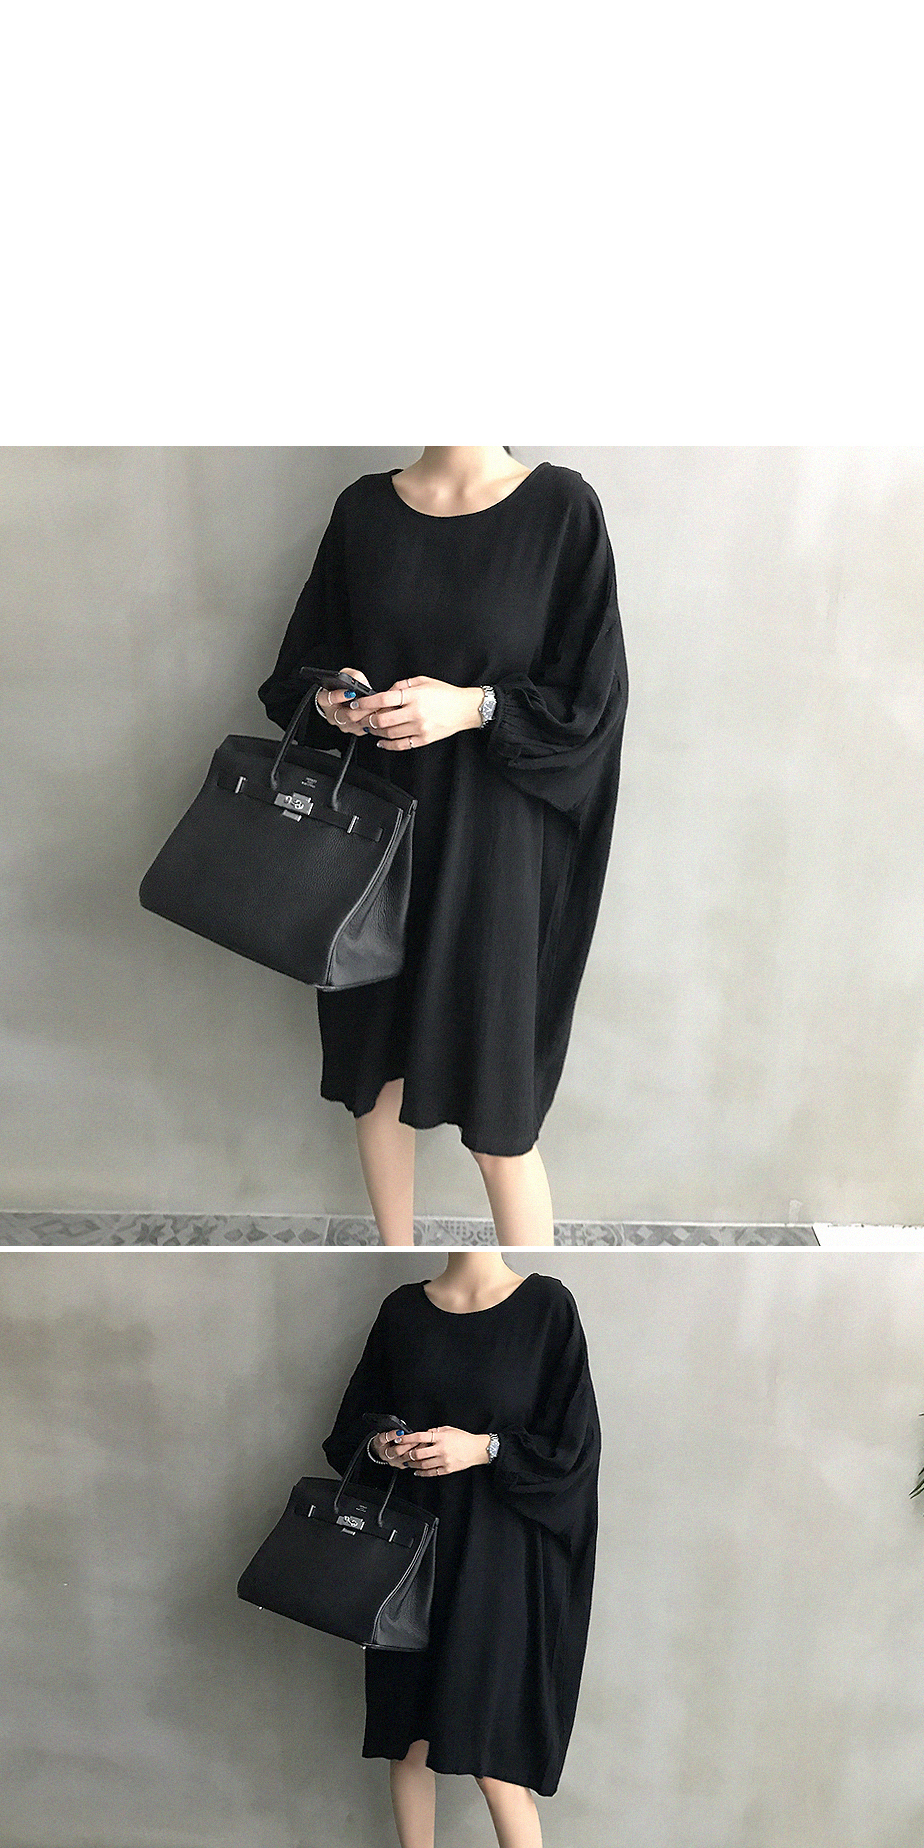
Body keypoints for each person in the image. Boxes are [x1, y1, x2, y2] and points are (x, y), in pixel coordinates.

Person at [259, 446, 628, 1248]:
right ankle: (392, 1256)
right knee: (375, 1086)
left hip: (493, 853)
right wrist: (332, 703)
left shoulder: (560, 510)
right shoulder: (363, 511)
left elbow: (591, 701)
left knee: (501, 1124)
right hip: (368, 844)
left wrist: (475, 706)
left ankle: (528, 1274)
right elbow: (298, 672)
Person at [322, 1248, 600, 1848]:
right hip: (410, 1560)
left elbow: (575, 1447)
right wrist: (383, 1446)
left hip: (501, 1565)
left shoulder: (547, 1308)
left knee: (494, 1756)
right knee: (407, 1741)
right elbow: (352, 1426)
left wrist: (484, 1448)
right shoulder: (402, 1311)